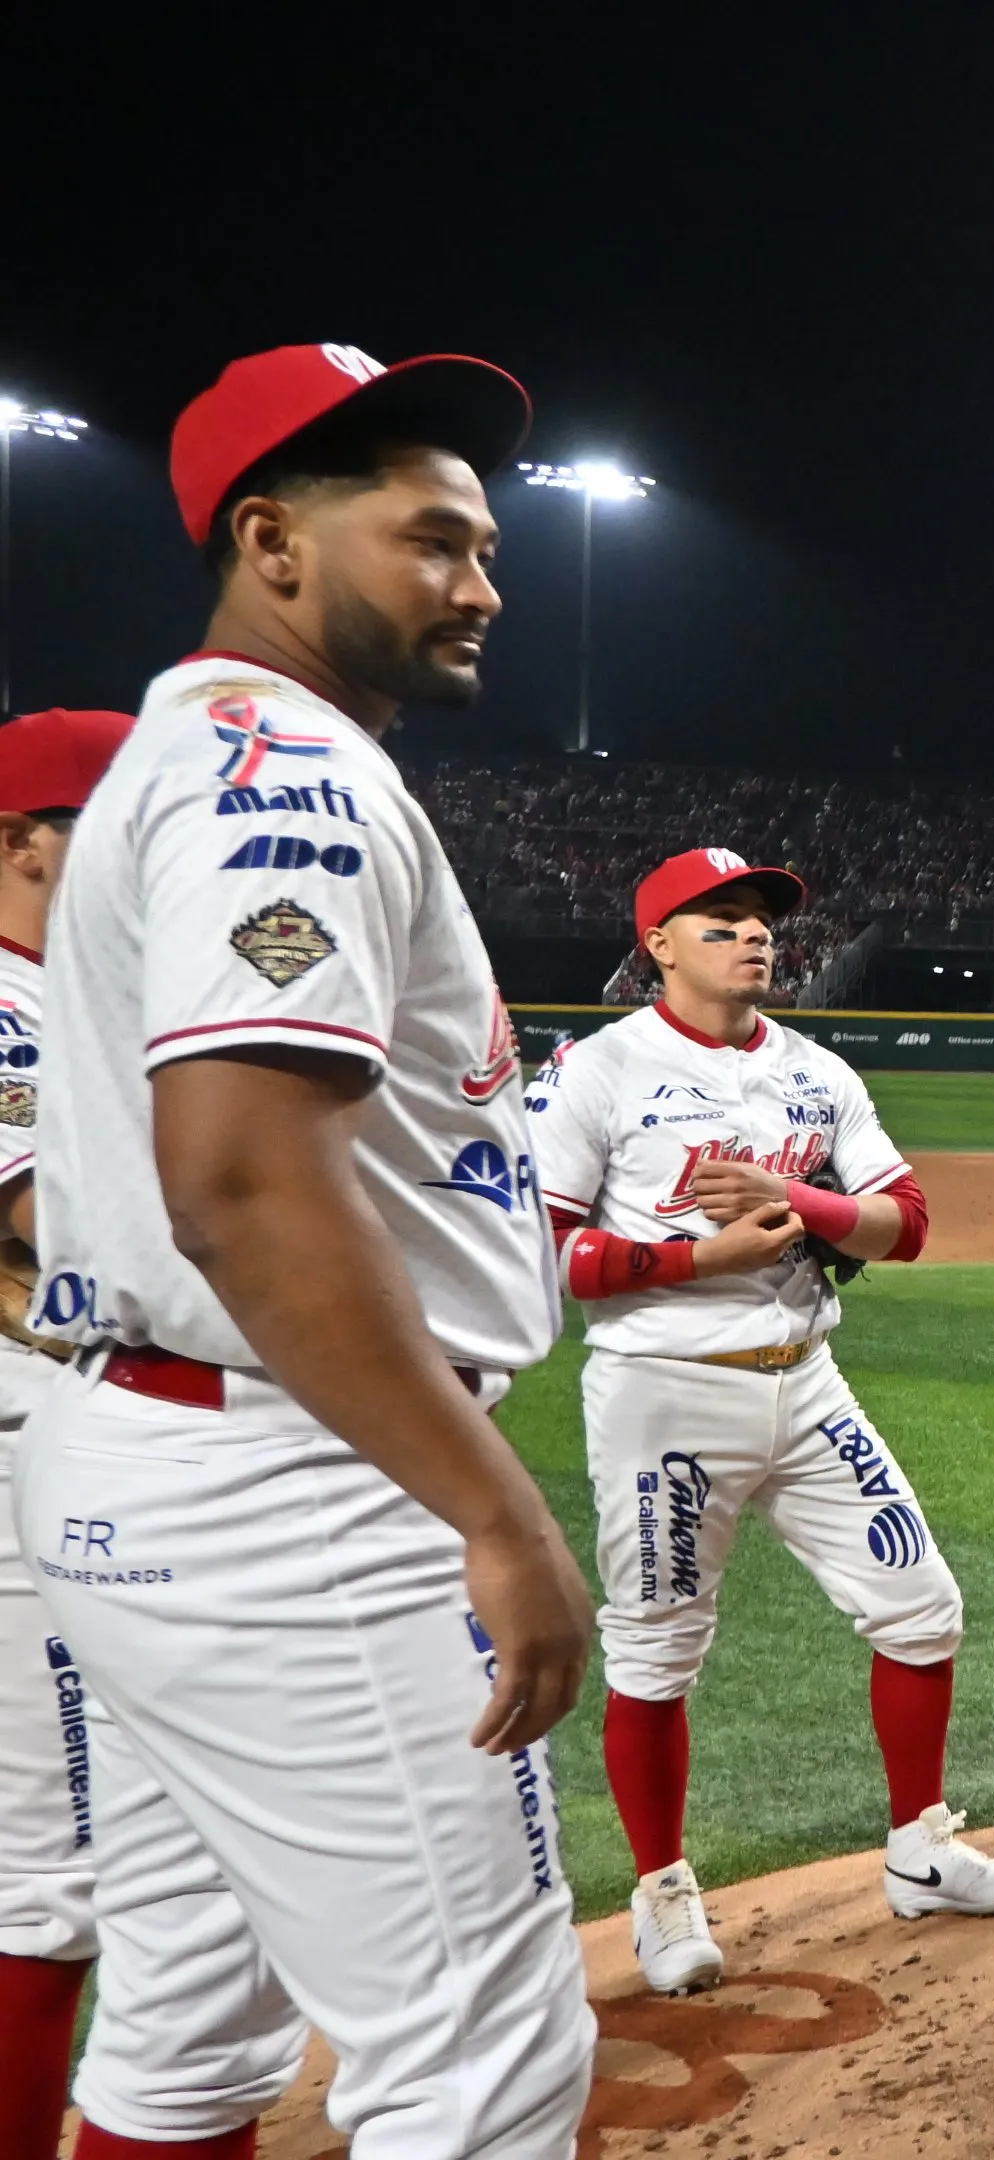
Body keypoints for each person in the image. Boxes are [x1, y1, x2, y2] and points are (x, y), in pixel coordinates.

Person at [23, 343, 598, 2156]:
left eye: (489, 546)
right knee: (487, 2076)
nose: (484, 584)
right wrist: (498, 1514)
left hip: (141, 1468)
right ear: (272, 543)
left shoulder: (189, 755)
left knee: (187, 2036)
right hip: (302, 1493)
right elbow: (248, 1181)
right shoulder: (293, 773)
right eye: (434, 542)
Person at [528, 846, 994, 1994]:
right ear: (657, 943)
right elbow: (542, 1250)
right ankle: (661, 1894)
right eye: (719, 922)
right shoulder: (597, 1072)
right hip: (666, 1390)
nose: (753, 936)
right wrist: (697, 1256)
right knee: (657, 1651)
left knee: (920, 1608)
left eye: (760, 920)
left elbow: (902, 1223)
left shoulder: (818, 1072)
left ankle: (920, 1850)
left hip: (808, 1382)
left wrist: (795, 1204)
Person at [0, 709, 133, 2160]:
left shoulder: (97, 997)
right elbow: (61, 1236)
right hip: (26, 1470)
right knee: (51, 1887)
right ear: (22, 840)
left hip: (108, 1461)